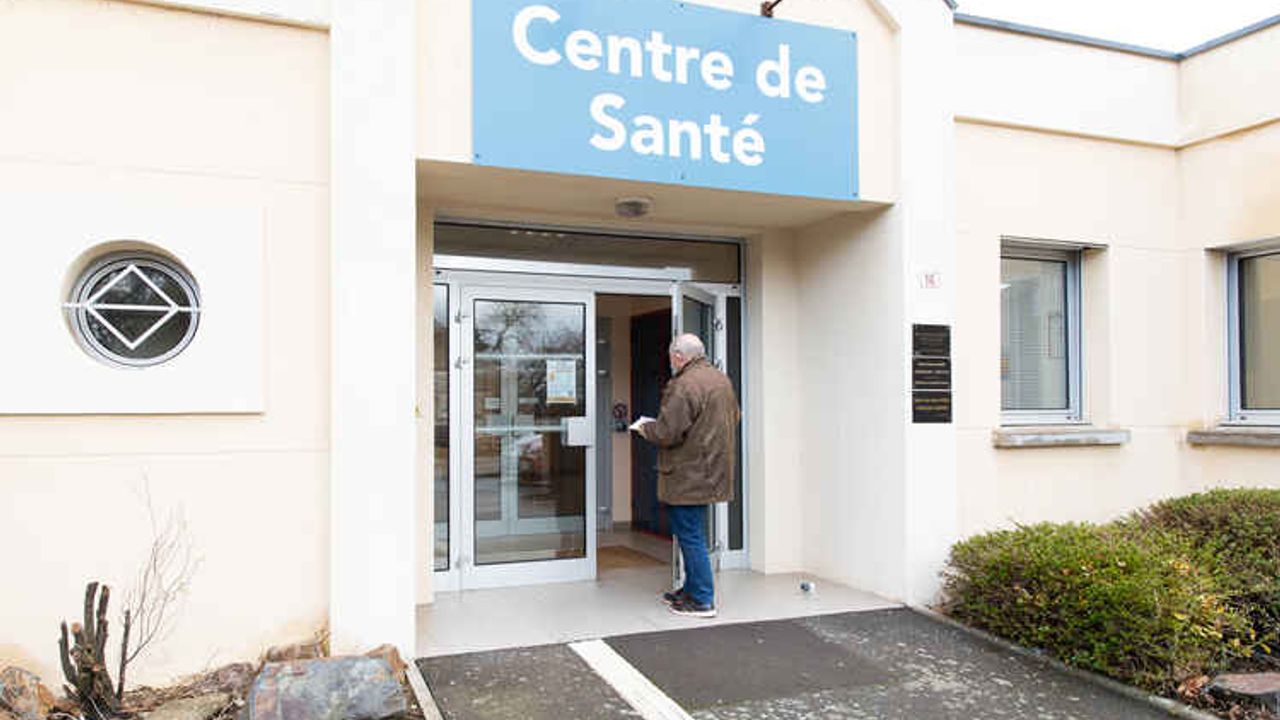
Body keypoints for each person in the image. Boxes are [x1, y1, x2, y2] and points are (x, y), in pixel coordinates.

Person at [632, 333, 740, 618]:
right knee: (692, 532)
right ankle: (691, 590)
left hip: (689, 473)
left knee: (690, 536)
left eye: (672, 357)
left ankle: (702, 598)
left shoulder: (684, 384)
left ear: (679, 356)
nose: (671, 361)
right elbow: (734, 417)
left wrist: (644, 428)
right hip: (712, 469)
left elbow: (667, 432)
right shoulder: (721, 380)